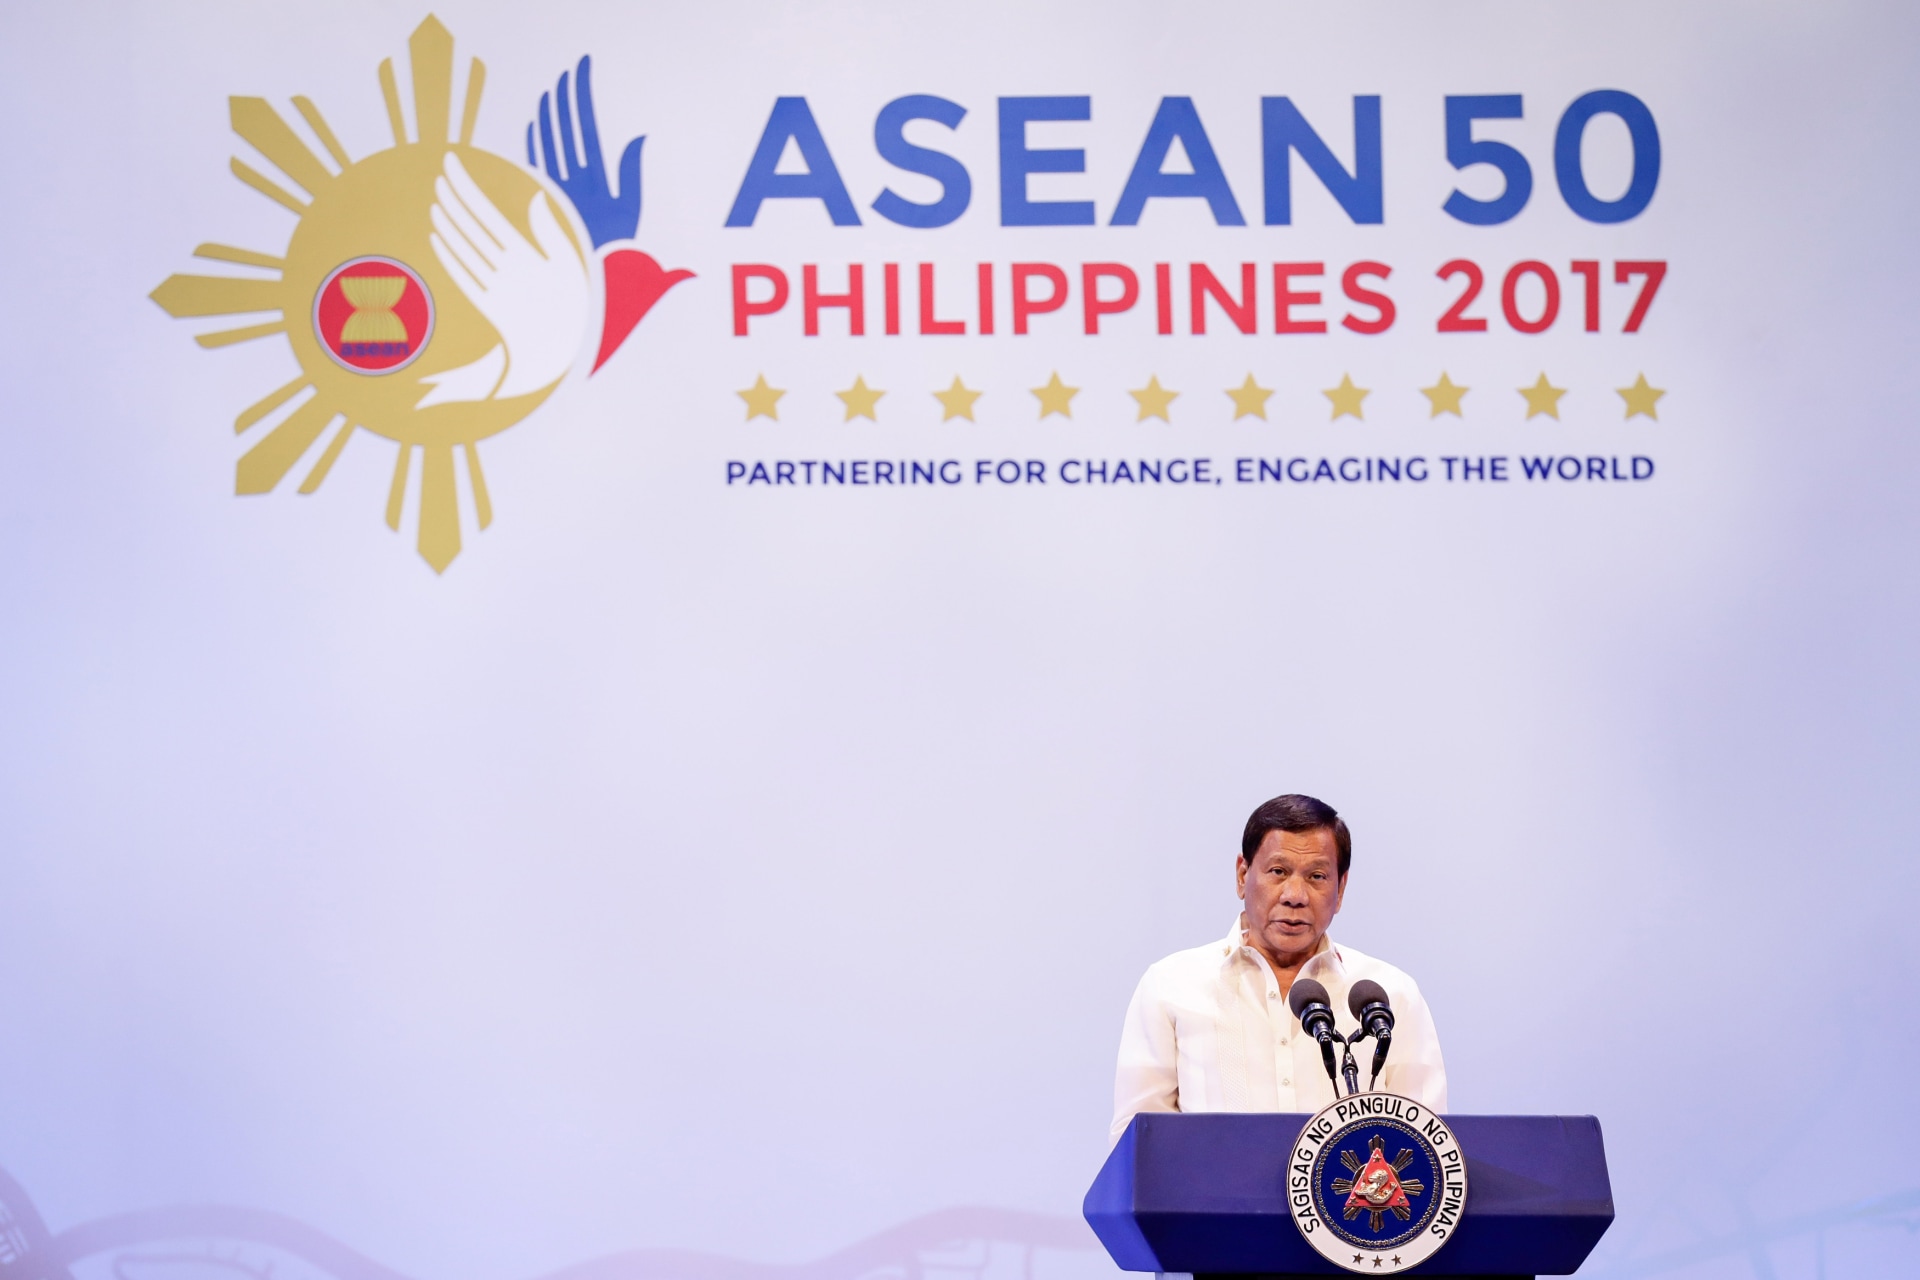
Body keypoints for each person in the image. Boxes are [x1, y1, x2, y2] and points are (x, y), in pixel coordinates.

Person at [1110, 794, 1447, 1142]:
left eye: (1317, 876)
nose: (1295, 894)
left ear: (1340, 888)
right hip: (1216, 1197)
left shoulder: (1389, 996)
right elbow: (1137, 1144)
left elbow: (1427, 1142)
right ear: (1243, 875)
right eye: (1278, 872)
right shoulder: (1171, 986)